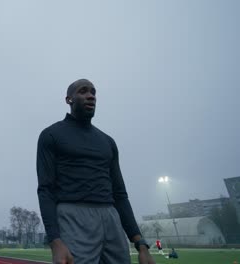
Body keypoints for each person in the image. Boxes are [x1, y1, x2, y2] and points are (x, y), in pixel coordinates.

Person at [36, 79, 155, 264]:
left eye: (93, 92)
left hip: (110, 216)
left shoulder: (108, 142)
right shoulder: (51, 135)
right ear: (69, 99)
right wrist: (55, 241)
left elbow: (120, 194)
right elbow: (45, 190)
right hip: (73, 216)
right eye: (83, 91)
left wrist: (140, 243)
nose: (91, 96)